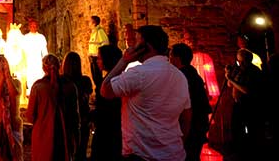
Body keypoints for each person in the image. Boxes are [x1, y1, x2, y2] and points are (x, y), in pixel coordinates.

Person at [100, 25, 191, 161]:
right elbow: (186, 116)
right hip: (174, 153)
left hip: (142, 154)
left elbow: (105, 90)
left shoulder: (138, 74)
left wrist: (124, 60)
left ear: (146, 46)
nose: (133, 46)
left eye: (137, 41)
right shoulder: (180, 76)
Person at [26, 54, 80, 161]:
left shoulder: (38, 87)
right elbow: (75, 116)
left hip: (43, 138)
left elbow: (30, 117)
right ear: (59, 66)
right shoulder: (70, 86)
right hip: (64, 137)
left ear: (43, 68)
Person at [169, 43, 212, 161]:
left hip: (192, 124)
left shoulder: (182, 76)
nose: (169, 59)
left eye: (171, 55)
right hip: (199, 122)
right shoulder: (192, 73)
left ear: (177, 58)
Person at [225, 48, 264, 160]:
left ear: (248, 60)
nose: (240, 64)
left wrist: (231, 80)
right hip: (237, 103)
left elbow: (247, 90)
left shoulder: (254, 71)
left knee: (250, 130)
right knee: (235, 128)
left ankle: (249, 153)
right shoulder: (238, 70)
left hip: (249, 105)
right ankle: (238, 151)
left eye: (242, 61)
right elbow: (229, 85)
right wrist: (228, 74)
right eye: (239, 61)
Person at [90, 45, 122, 161]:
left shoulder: (113, 82)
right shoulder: (112, 78)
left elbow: (105, 107)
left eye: (99, 58)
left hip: (108, 130)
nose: (97, 61)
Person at [62, 52, 93, 161]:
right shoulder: (85, 81)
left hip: (67, 120)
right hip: (82, 120)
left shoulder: (62, 82)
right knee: (81, 150)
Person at [22, 19, 48, 96]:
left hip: (38, 62)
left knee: (39, 79)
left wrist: (46, 61)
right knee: (30, 80)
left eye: (35, 26)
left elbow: (44, 51)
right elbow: (23, 51)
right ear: (29, 27)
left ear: (37, 27)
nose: (33, 27)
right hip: (29, 62)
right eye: (32, 26)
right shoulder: (25, 38)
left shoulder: (41, 37)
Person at [88, 16, 109, 87]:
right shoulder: (94, 32)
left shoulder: (100, 31)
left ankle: (100, 90)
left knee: (98, 77)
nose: (89, 23)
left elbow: (105, 44)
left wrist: (99, 55)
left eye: (90, 22)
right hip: (92, 58)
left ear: (94, 23)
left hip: (96, 58)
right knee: (94, 77)